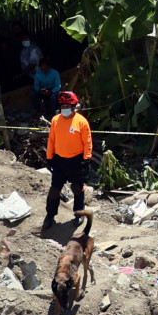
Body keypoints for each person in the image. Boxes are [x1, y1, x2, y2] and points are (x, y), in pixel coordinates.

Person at [44, 91, 94, 226]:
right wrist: (49, 157)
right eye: (62, 106)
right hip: (59, 161)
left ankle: (79, 213)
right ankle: (50, 215)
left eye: (67, 106)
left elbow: (87, 142)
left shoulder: (81, 122)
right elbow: (51, 140)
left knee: (77, 188)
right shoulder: (55, 120)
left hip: (76, 161)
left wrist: (86, 160)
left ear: (73, 107)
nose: (64, 109)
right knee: (54, 190)